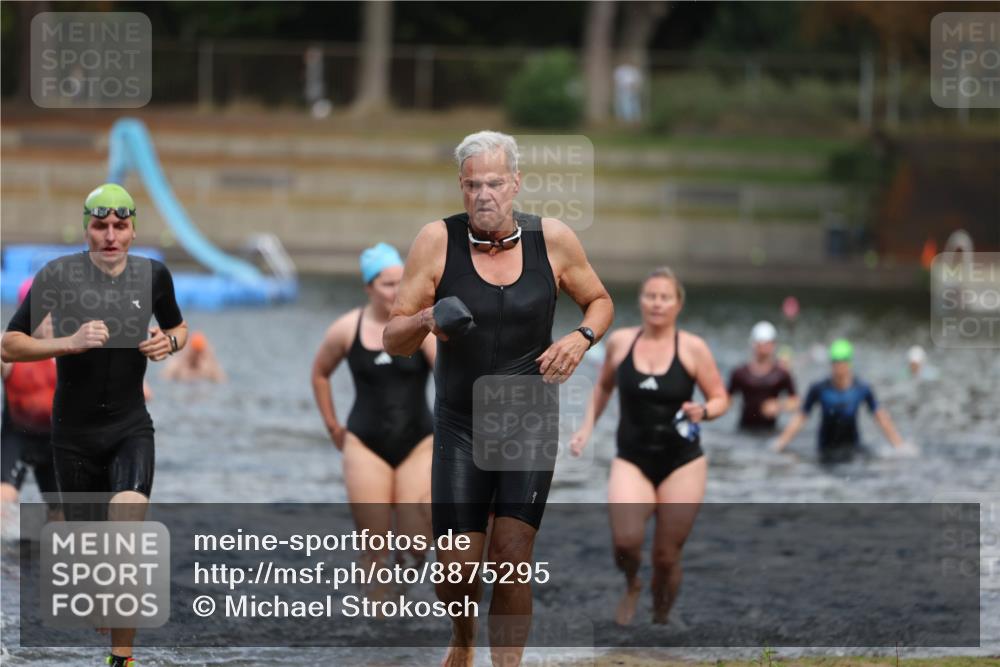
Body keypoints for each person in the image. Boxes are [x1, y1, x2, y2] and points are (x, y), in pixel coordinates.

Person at [383, 131, 614, 667]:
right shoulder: (436, 241)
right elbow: (393, 340)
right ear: (460, 188)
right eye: (471, 185)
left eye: (493, 183)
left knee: (512, 558)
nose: (483, 194)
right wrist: (424, 319)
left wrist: (580, 339)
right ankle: (462, 640)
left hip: (527, 422)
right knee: (457, 569)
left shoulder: (552, 239)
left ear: (516, 184)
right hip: (461, 424)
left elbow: (600, 301)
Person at [1, 183, 187, 667]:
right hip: (74, 437)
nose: (109, 235)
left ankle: (120, 660)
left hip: (130, 429)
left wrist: (170, 343)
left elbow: (178, 326)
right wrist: (69, 341)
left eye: (119, 226)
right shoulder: (58, 276)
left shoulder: (154, 276)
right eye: (100, 226)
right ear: (86, 228)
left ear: (132, 230)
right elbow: (10, 344)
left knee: (126, 542)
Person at [569, 267, 728, 627]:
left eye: (665, 297)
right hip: (632, 459)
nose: (657, 303)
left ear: (678, 304)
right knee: (625, 542)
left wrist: (704, 410)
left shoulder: (692, 348)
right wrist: (586, 429)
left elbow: (721, 398)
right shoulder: (621, 342)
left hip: (682, 462)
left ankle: (660, 618)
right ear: (641, 301)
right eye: (650, 296)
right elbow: (604, 387)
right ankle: (632, 583)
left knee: (666, 555)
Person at [311, 243, 435, 576]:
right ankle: (376, 619)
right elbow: (320, 373)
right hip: (364, 444)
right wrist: (332, 426)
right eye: (387, 284)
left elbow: (451, 380)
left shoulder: (422, 329)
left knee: (415, 545)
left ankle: (408, 614)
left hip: (419, 443)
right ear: (368, 287)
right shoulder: (346, 329)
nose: (397, 291)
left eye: (401, 282)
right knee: (374, 547)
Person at [771, 339, 909, 463]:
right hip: (825, 451)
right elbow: (801, 417)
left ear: (849, 363)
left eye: (842, 361)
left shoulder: (862, 388)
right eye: (835, 362)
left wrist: (899, 445)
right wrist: (780, 443)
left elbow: (880, 417)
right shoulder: (819, 388)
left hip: (853, 448)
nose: (838, 366)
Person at [1, 279, 60, 519]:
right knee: (4, 498)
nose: (45, 321)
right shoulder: (8, 349)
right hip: (17, 436)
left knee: (63, 513)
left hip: (56, 439)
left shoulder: (70, 347)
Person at [727, 321, 798, 433]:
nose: (764, 348)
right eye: (761, 343)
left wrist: (779, 405)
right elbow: (726, 399)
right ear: (753, 344)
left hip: (770, 430)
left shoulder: (782, 374)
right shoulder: (740, 373)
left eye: (767, 343)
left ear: (773, 345)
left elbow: (796, 402)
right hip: (744, 429)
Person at [161, 331, 226, 382]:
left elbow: (222, 380)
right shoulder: (179, 363)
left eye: (199, 352)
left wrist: (211, 362)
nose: (197, 355)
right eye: (195, 351)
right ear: (190, 349)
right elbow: (165, 378)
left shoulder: (209, 365)